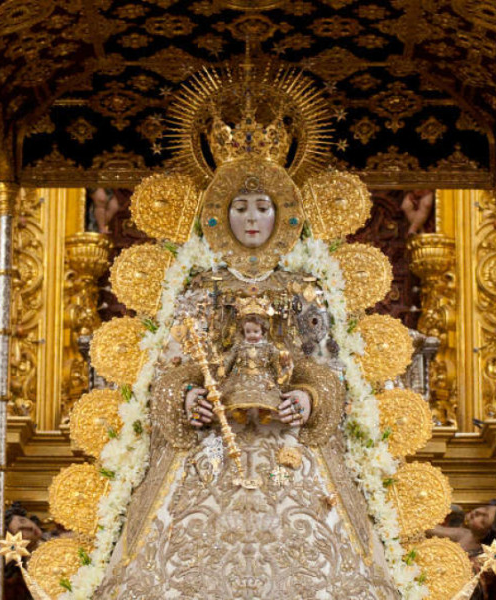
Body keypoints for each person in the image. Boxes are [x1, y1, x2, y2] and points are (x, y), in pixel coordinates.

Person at [94, 161, 400, 598]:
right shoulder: (200, 287)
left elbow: (328, 369)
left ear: (283, 214)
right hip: (212, 442)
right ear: (221, 215)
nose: (252, 218)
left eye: (262, 207)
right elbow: (171, 369)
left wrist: (309, 398)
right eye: (241, 207)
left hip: (290, 444)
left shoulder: (305, 289)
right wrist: (187, 397)